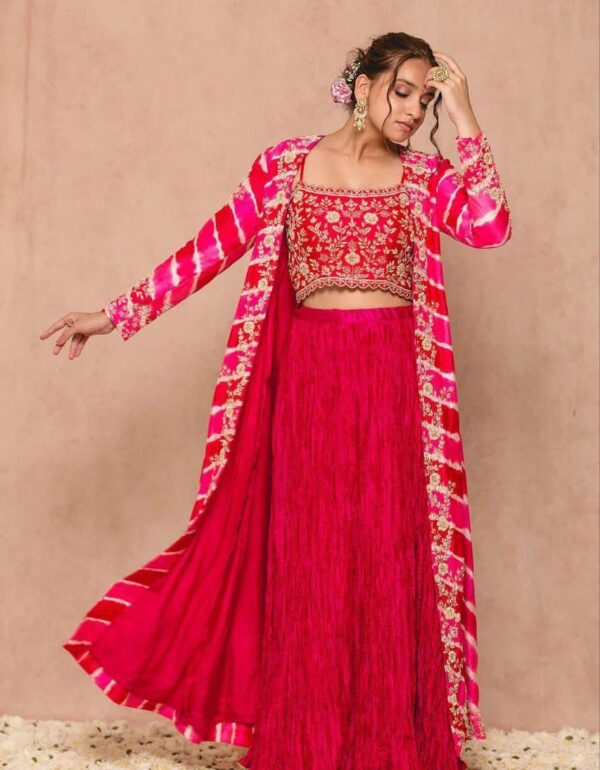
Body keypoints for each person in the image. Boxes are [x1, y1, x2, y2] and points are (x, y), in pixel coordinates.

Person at [40, 31, 512, 770]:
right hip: (312, 384)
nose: (413, 112)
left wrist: (466, 113)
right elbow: (211, 247)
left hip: (396, 384)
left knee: (388, 553)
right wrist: (115, 314)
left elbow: (490, 225)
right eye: (403, 92)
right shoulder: (286, 166)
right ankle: (307, 744)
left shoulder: (424, 176)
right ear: (362, 85)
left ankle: (391, 744)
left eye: (425, 101)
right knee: (313, 560)